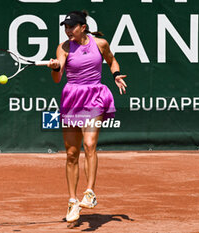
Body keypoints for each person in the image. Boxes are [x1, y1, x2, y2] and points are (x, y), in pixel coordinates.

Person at [47, 10, 127, 223]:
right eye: (65, 27)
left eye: (71, 27)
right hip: (72, 98)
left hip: (94, 96)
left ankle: (89, 193)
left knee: (90, 144)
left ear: (83, 27)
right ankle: (73, 201)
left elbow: (112, 61)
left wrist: (116, 75)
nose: (67, 31)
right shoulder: (63, 47)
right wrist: (55, 68)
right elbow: (57, 79)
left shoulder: (100, 44)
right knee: (72, 153)